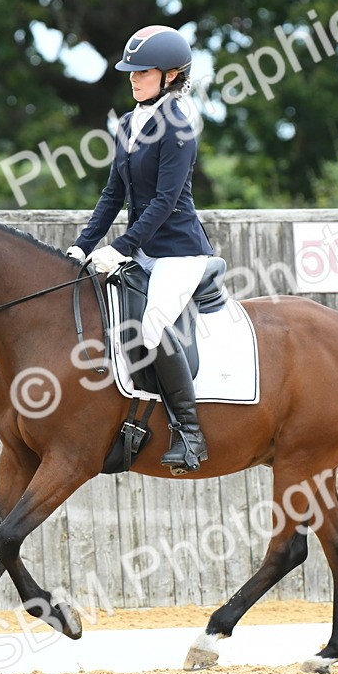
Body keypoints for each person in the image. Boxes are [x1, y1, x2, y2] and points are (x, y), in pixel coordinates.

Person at [67, 24, 213, 474]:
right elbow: (113, 195)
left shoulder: (179, 126)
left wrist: (121, 247)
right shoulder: (128, 124)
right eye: (131, 71)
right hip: (143, 250)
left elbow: (165, 202)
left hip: (179, 252)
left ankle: (189, 433)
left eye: (143, 72)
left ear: (170, 76)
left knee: (152, 326)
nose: (133, 78)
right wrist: (81, 246)